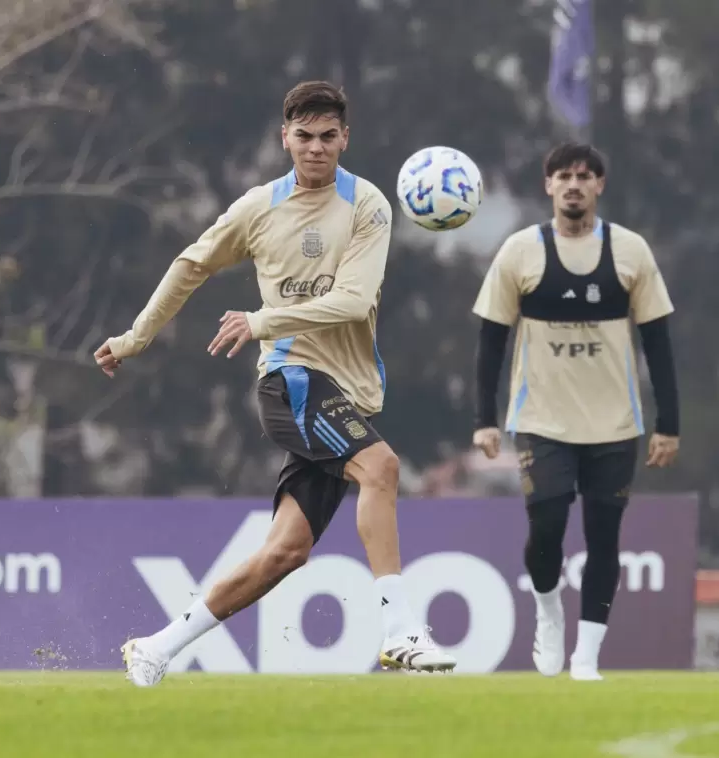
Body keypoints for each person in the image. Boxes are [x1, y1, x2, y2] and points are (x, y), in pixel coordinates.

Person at [94, 80, 457, 685]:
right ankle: (400, 631)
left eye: (328, 136)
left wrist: (260, 319)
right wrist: (136, 336)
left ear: (346, 138)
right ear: (284, 137)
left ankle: (155, 647)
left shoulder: (367, 205)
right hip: (291, 381)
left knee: (285, 553)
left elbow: (353, 301)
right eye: (304, 136)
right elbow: (191, 264)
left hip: (346, 392)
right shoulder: (258, 208)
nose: (316, 148)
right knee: (382, 468)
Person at [470, 142, 679, 681]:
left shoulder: (630, 251)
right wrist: (484, 419)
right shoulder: (520, 252)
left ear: (599, 186)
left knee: (604, 538)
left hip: (614, 425)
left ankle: (587, 656)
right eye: (563, 176)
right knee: (546, 530)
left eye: (584, 176)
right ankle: (548, 611)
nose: (573, 185)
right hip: (542, 422)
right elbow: (490, 341)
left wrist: (669, 424)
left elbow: (658, 342)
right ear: (548, 186)